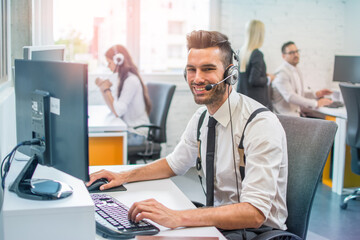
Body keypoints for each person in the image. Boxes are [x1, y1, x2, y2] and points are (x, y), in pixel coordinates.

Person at [88, 30, 288, 240]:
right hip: (220, 225)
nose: (197, 78)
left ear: (231, 74)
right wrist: (124, 176)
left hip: (258, 232)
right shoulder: (202, 117)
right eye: (191, 70)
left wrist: (176, 217)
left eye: (208, 69)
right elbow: (175, 163)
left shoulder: (259, 125)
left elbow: (254, 213)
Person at [96, 45, 152, 144]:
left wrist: (107, 89)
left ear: (118, 60)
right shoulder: (121, 79)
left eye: (109, 63)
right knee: (100, 138)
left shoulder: (131, 80)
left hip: (137, 133)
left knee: (102, 142)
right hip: (129, 130)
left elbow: (118, 111)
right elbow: (113, 109)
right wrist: (103, 89)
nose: (108, 66)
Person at [271, 41, 333, 117]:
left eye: (297, 51)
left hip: (297, 113)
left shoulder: (296, 69)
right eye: (291, 53)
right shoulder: (281, 73)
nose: (296, 54)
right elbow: (291, 97)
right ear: (283, 56)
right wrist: (316, 103)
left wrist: (316, 94)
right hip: (286, 117)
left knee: (323, 120)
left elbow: (298, 93)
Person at [236, 20, 275, 110]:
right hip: (256, 102)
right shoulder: (257, 54)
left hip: (243, 100)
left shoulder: (241, 52)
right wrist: (269, 79)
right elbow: (254, 80)